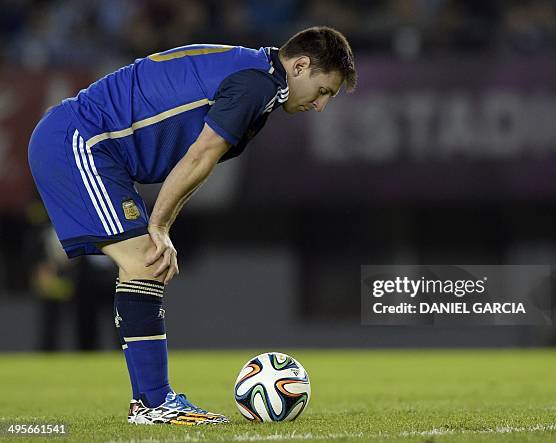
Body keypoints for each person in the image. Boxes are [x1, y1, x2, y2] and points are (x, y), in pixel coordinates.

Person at [28, 26, 356, 426]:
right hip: (79, 141)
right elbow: (200, 155)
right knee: (146, 261)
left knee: (145, 262)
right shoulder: (258, 84)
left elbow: (197, 163)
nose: (321, 105)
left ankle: (151, 401)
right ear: (300, 65)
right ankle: (152, 403)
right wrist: (160, 226)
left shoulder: (253, 70)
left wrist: (162, 226)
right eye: (324, 91)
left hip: (95, 147)